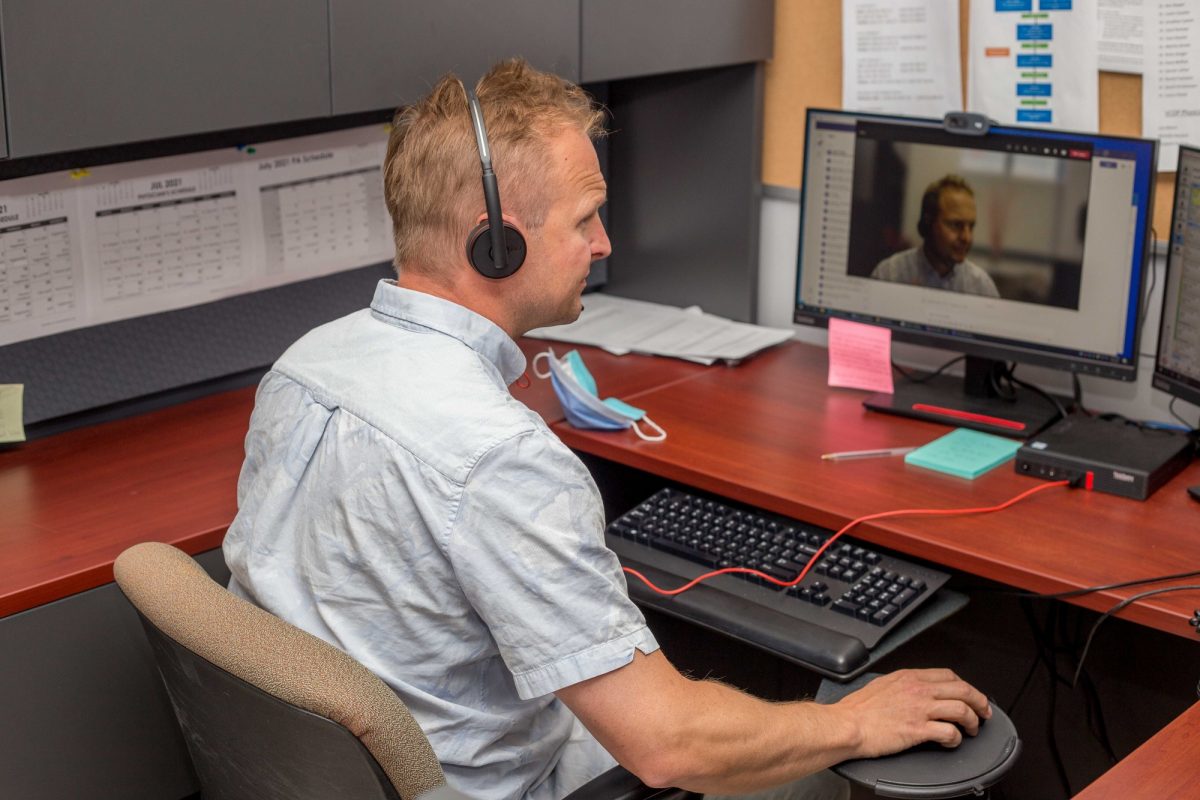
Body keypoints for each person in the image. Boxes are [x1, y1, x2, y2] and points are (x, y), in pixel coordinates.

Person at [222, 59, 992, 800]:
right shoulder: (502, 458)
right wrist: (850, 721)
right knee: (819, 774)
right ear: (500, 243)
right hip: (493, 784)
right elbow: (668, 747)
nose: (604, 244)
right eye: (586, 217)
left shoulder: (304, 365)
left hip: (336, 772)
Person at [871, 175, 1000, 298]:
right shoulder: (889, 274)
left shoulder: (982, 287)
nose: (967, 238)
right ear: (928, 222)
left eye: (971, 227)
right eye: (956, 225)